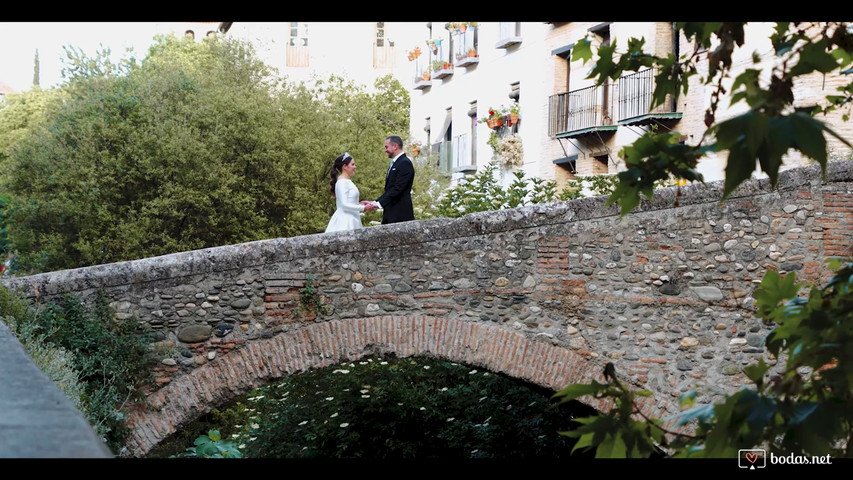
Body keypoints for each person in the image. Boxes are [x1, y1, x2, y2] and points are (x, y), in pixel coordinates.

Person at [364, 135, 415, 224]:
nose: (385, 150)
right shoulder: (396, 163)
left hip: (400, 215)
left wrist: (378, 204)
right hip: (390, 214)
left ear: (395, 146)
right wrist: (374, 202)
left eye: (386, 147)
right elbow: (389, 190)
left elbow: (397, 189)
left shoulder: (405, 163)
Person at [325, 152, 371, 233]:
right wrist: (363, 208)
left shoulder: (347, 181)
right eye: (352, 164)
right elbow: (344, 205)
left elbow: (349, 202)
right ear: (345, 167)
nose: (355, 167)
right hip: (346, 220)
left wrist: (359, 204)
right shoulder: (342, 182)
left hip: (353, 217)